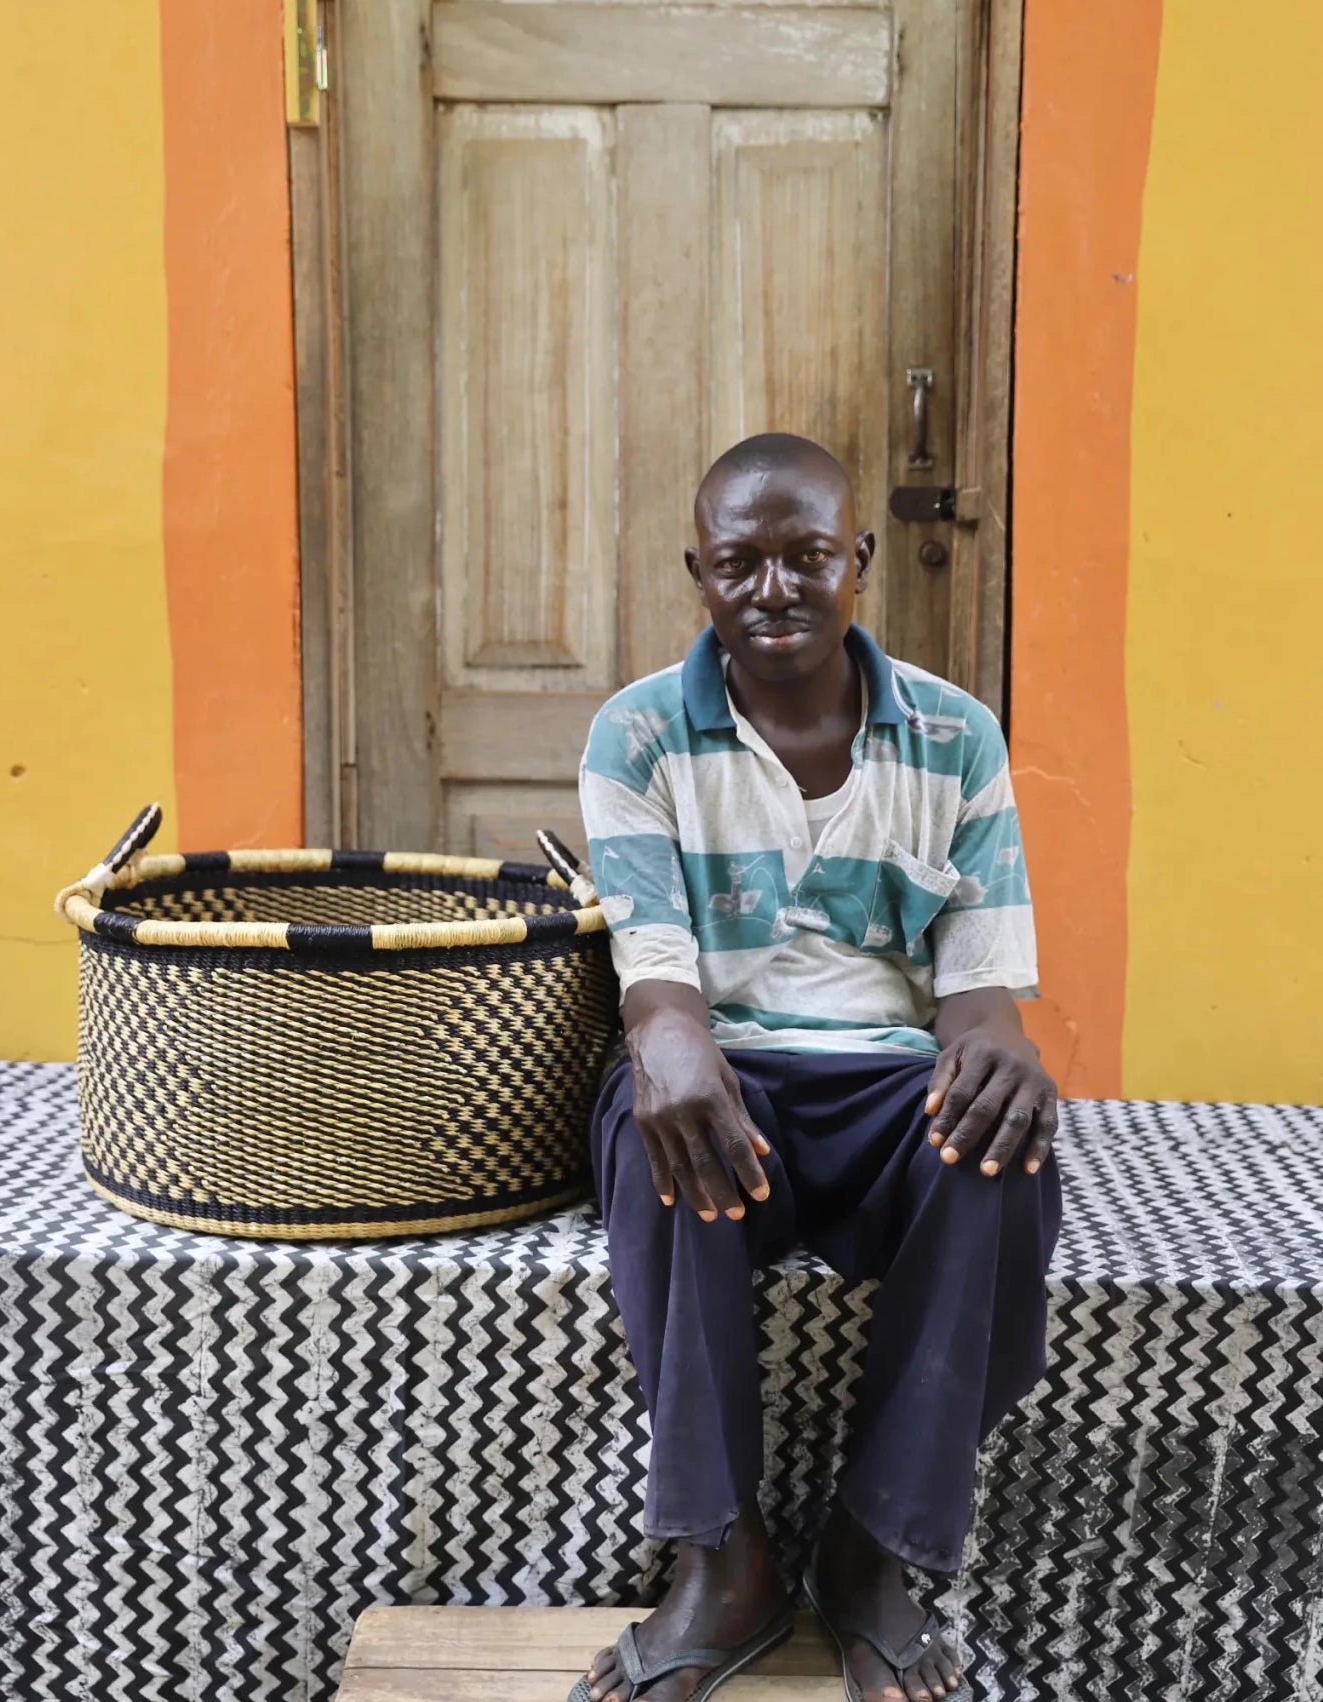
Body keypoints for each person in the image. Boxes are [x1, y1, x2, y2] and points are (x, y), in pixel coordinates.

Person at [569, 434, 1061, 1702]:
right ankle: (720, 1558)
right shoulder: (639, 734)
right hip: (732, 1079)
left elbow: (978, 984)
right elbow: (657, 966)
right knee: (657, 1133)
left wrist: (1001, 1049)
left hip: (889, 1086)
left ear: (862, 560)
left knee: (1001, 1153)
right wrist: (668, 1039)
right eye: (741, 563)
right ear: (699, 572)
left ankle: (873, 1551)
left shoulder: (953, 735)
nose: (774, 587)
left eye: (806, 557)